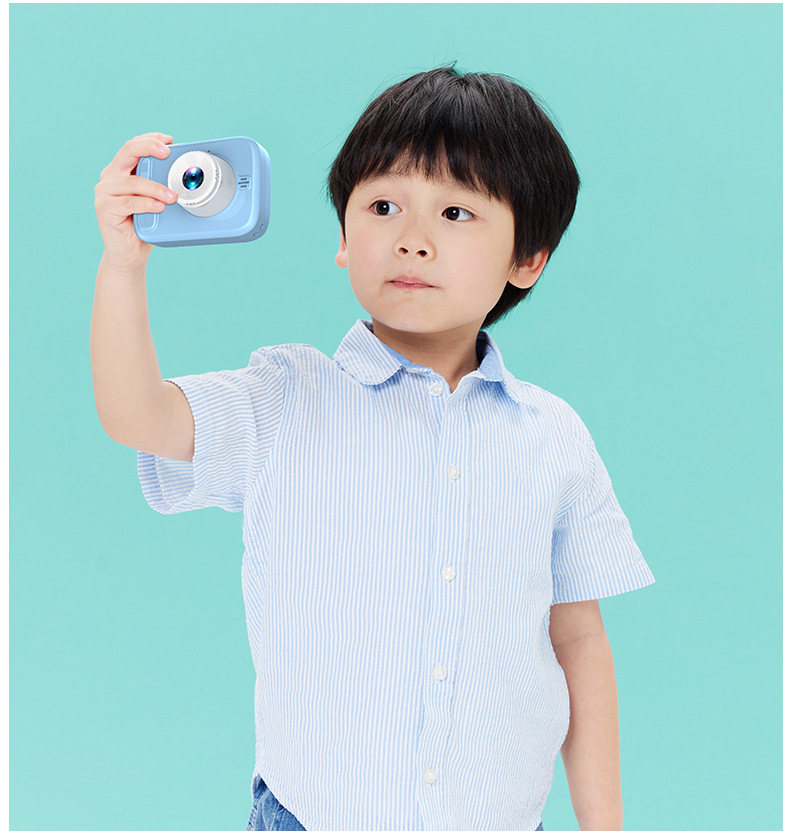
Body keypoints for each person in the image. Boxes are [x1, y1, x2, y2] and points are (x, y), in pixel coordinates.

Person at [91, 66, 655, 831]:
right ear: (344, 239)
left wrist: (606, 826)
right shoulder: (285, 398)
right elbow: (138, 416)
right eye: (384, 206)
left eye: (456, 212)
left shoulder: (553, 437)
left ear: (528, 258)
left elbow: (579, 641)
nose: (412, 239)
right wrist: (123, 265)